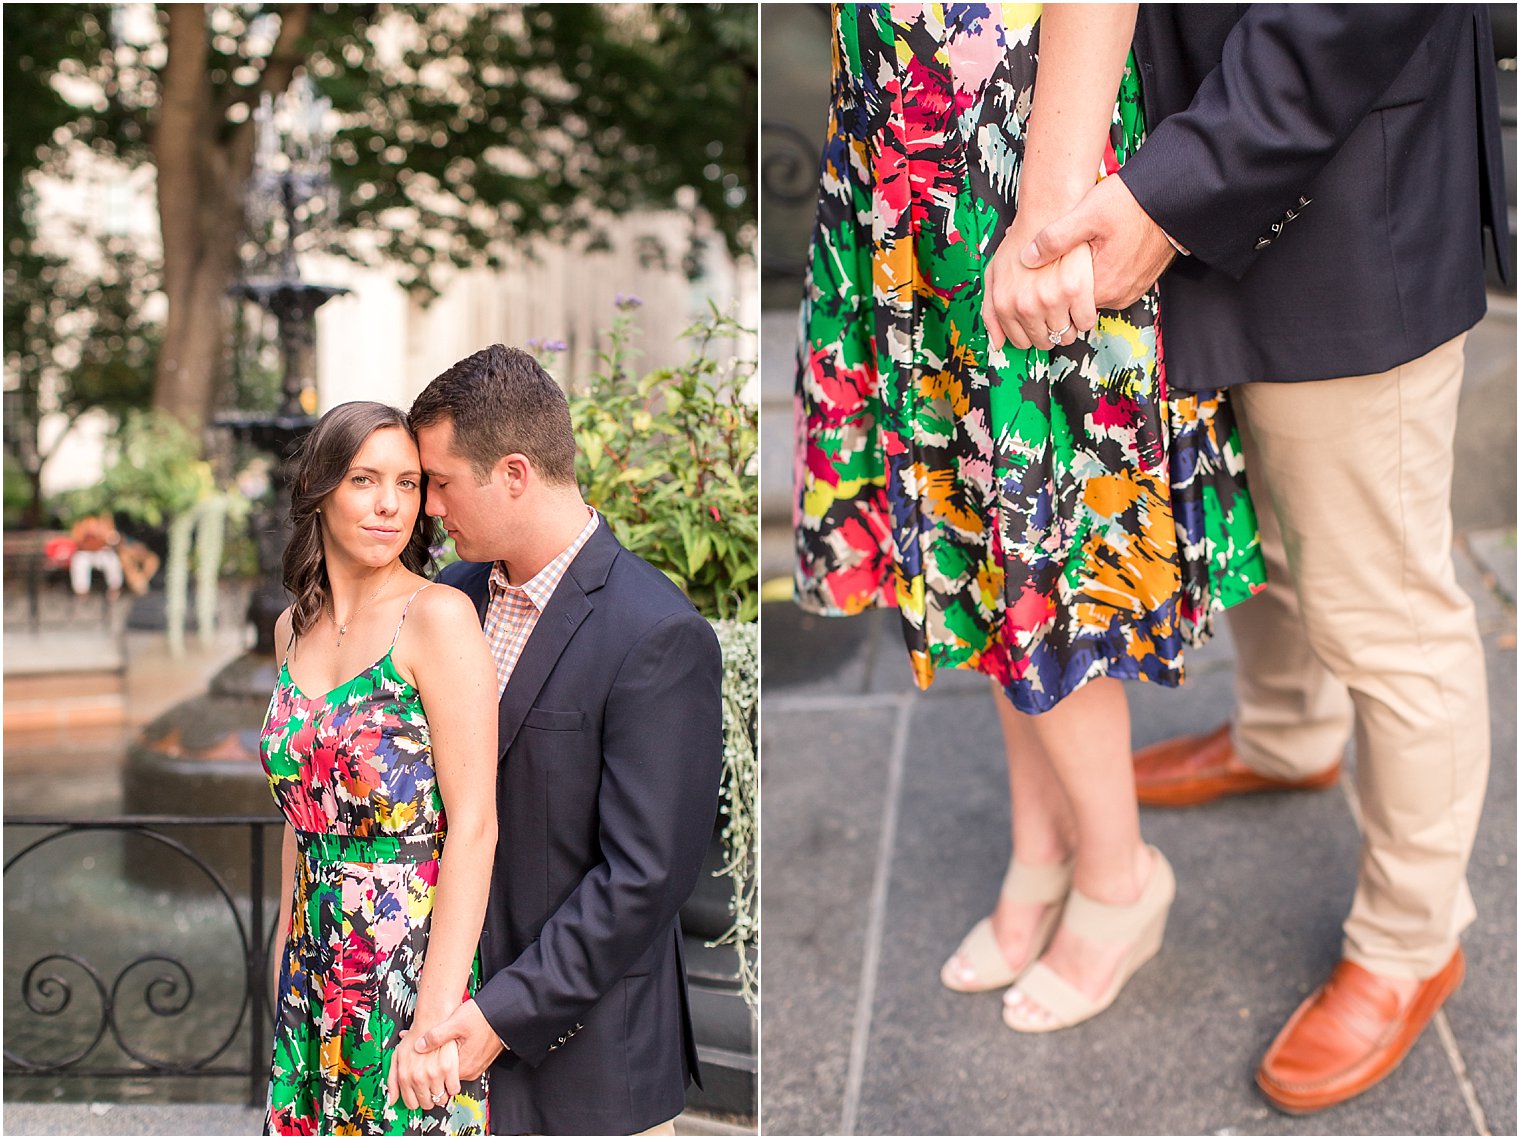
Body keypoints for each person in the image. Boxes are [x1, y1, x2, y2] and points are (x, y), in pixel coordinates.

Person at [1018, 4, 1512, 1113]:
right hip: (1197, 148)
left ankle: (1409, 938)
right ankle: (1286, 736)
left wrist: (1170, 187)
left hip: (1327, 164)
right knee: (1274, 525)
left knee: (1379, 600)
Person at [793, 3, 1265, 1033]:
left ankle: (1114, 873)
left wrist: (1046, 196)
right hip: (898, 141)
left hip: (1009, 138)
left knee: (1038, 531)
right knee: (981, 530)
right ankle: (1041, 846)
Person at [395, 344, 724, 1135]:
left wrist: (501, 1014)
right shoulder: (450, 598)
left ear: (514, 474)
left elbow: (644, 876)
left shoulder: (658, 633)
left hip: (590, 1073)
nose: (429, 507)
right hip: (442, 1052)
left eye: (441, 482)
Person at [260, 401, 498, 1134]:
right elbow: (301, 825)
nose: (391, 504)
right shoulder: (290, 629)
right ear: (320, 488)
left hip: (406, 974)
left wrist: (433, 1018)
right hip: (310, 977)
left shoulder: (438, 616)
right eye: (365, 479)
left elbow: (475, 827)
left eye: (408, 481)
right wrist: (282, 976)